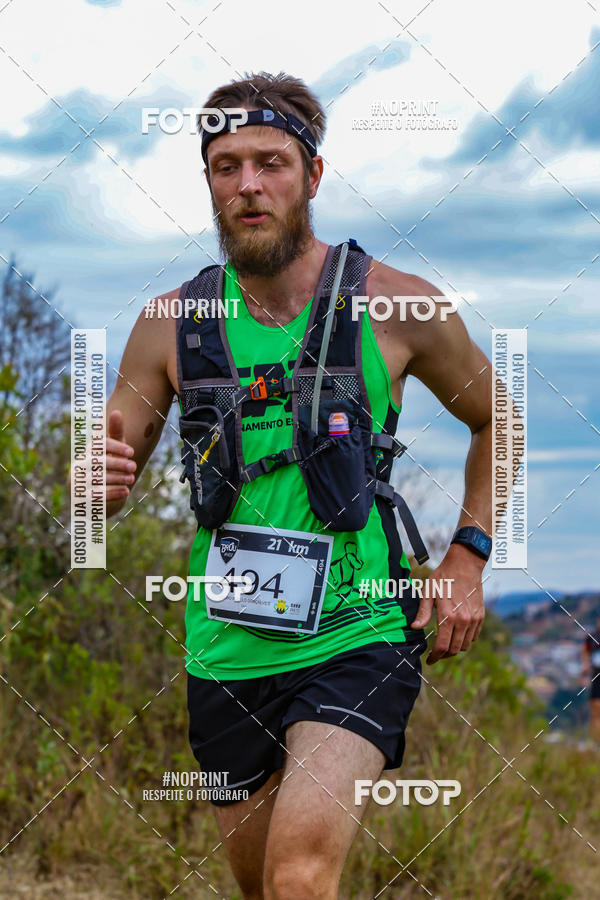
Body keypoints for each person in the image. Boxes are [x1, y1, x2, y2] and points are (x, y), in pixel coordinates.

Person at [104, 72, 492, 900]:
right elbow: (101, 480)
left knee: (298, 875)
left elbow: (504, 419)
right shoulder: (168, 324)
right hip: (226, 645)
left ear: (312, 175)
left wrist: (469, 555)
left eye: (272, 163)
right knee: (260, 887)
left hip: (359, 630)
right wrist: (86, 489)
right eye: (227, 165)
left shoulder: (399, 307)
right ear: (207, 179)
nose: (249, 185)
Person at [581, 613, 600, 744]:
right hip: (596, 675)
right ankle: (596, 740)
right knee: (595, 707)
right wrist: (585, 666)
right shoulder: (591, 637)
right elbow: (585, 652)